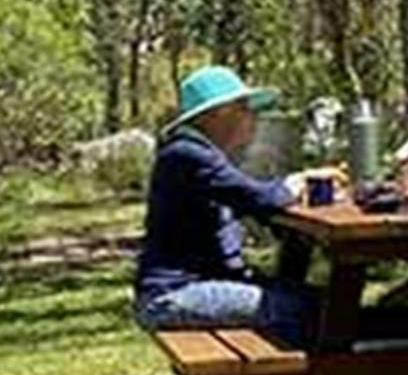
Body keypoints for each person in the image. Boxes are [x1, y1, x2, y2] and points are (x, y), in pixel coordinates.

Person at [134, 64, 317, 346]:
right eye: (244, 107)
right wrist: (296, 184)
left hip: (199, 285)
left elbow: (255, 204)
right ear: (218, 114)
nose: (253, 117)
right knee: (301, 309)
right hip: (173, 295)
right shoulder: (187, 154)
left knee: (315, 301)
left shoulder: (201, 153)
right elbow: (262, 198)